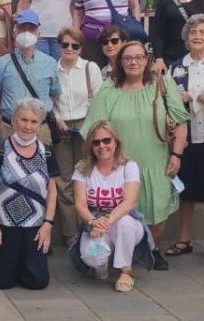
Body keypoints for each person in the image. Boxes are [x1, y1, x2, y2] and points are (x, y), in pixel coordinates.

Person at [82, 40, 189, 271]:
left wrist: (177, 154)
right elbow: (95, 127)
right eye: (128, 58)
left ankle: (152, 249)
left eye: (139, 57)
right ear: (120, 62)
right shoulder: (110, 88)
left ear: (147, 60)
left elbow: (180, 121)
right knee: (122, 216)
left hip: (156, 161)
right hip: (118, 165)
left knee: (157, 216)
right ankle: (119, 258)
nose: (134, 62)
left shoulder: (161, 83)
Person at [166, 14, 204, 261]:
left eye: (202, 32)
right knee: (185, 192)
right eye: (193, 33)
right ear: (186, 38)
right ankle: (184, 239)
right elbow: (166, 100)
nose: (197, 37)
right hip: (187, 138)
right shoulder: (176, 66)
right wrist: (177, 99)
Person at [0, 97, 56, 289]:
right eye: (23, 120)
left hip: (35, 226)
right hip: (5, 225)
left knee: (37, 282)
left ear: (39, 125)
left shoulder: (47, 152)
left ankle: (25, 261)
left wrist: (48, 224)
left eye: (33, 121)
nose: (28, 126)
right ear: (14, 121)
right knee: (1, 281)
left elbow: (53, 190)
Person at [72, 121, 146, 291]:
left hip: (124, 221)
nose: (102, 146)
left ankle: (126, 270)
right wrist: (93, 222)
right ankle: (102, 266)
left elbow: (129, 202)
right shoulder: (82, 168)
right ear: (90, 146)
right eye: (96, 142)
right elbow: (80, 204)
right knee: (93, 257)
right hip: (95, 222)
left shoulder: (129, 166)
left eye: (107, 140)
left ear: (116, 142)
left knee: (123, 223)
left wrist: (107, 221)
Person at [53, 26, 104, 244]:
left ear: (81, 48)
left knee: (86, 178)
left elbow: (98, 99)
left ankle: (89, 227)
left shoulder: (89, 68)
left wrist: (88, 125)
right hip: (61, 125)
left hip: (86, 125)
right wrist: (57, 119)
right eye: (65, 44)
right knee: (64, 181)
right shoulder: (52, 69)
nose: (69, 49)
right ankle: (69, 234)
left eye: (74, 45)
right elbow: (49, 98)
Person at [0, 10, 61, 145]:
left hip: (40, 129)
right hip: (9, 128)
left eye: (31, 29)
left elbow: (54, 95)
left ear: (38, 33)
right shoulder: (2, 63)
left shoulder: (50, 63)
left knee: (41, 165)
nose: (27, 33)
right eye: (22, 29)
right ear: (14, 32)